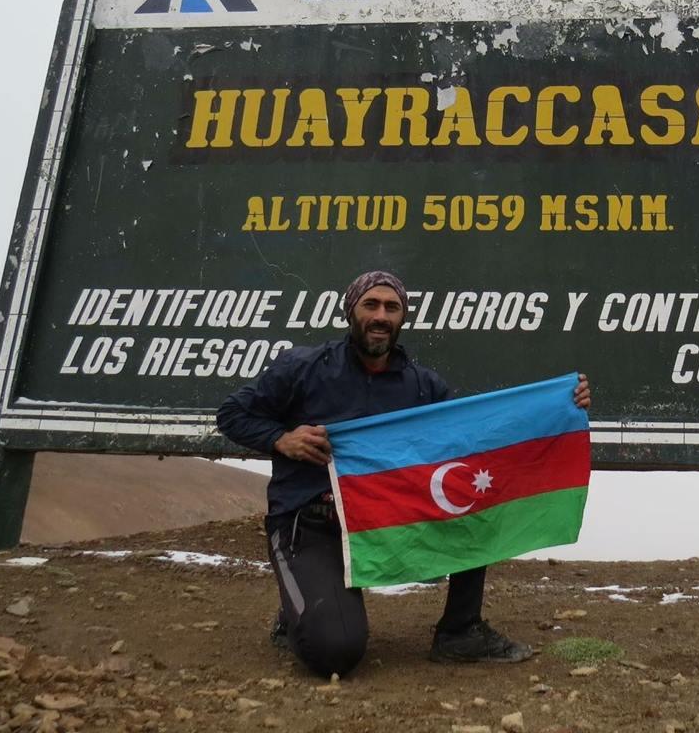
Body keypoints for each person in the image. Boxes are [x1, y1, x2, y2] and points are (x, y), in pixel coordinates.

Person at [217, 270, 591, 677]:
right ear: (351, 311)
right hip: (312, 524)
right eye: (371, 305)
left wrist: (562, 404)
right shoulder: (303, 367)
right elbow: (232, 414)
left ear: (402, 318)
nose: (381, 316)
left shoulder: (422, 385)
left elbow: (477, 437)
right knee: (335, 654)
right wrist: (281, 438)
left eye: (391, 308)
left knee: (474, 492)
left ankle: (460, 631)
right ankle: (298, 610)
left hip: (388, 519)